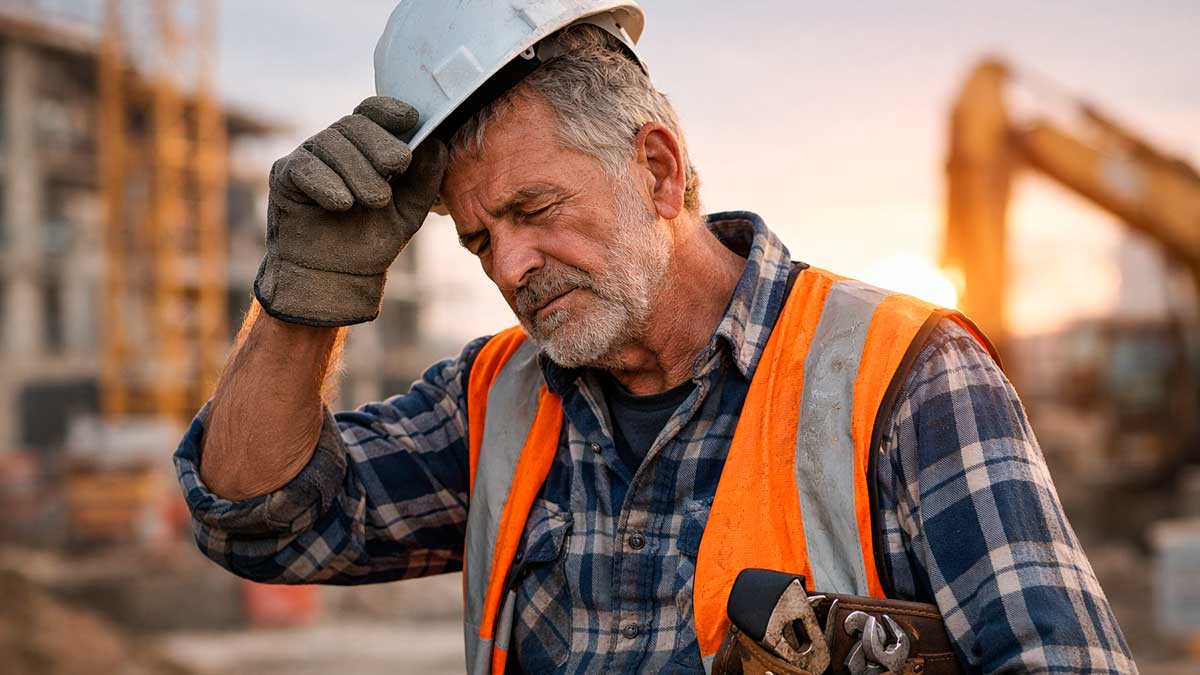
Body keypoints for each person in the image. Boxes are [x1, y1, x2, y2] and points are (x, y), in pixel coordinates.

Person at [174, 2, 1135, 673]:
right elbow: (263, 523)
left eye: (535, 208)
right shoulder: (498, 396)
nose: (510, 267)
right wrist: (304, 298)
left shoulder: (906, 380)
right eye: (478, 240)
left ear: (660, 172)